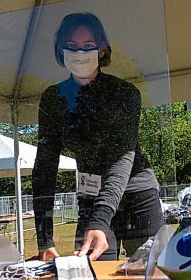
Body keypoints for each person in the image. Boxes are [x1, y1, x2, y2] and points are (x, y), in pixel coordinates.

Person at [32, 13, 163, 261]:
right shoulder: (54, 98)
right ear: (61, 49)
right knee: (90, 274)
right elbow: (45, 166)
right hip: (91, 197)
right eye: (72, 46)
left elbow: (121, 157)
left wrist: (101, 219)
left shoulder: (124, 93)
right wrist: (44, 237)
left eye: (88, 46)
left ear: (102, 50)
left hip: (137, 194)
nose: (79, 53)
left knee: (152, 275)